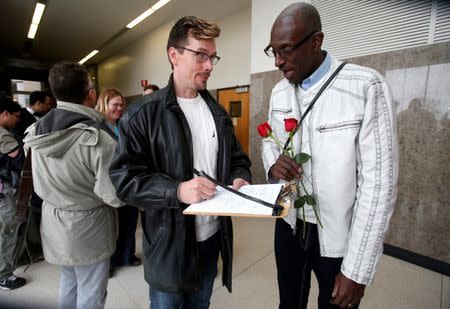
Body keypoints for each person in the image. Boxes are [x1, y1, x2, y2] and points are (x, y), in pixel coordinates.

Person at [261, 3, 398, 309]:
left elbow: (379, 187)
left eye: (286, 50)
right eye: (273, 51)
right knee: (289, 303)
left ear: (316, 41)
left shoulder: (365, 87)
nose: (278, 62)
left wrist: (357, 271)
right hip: (290, 225)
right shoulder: (279, 93)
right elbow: (269, 142)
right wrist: (272, 165)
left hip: (337, 238)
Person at [109, 16, 251, 309]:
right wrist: (176, 190)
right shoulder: (141, 115)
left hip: (211, 238)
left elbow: (237, 158)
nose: (209, 65)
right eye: (201, 55)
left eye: (212, 57)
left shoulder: (218, 113)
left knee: (201, 303)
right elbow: (124, 180)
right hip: (168, 244)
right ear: (174, 55)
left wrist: (239, 177)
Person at [24, 62, 123, 309]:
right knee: (91, 291)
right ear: (90, 93)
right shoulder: (99, 139)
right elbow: (113, 196)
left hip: (54, 222)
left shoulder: (36, 130)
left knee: (68, 281)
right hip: (90, 228)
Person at [95, 88, 141, 277]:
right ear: (104, 105)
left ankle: (127, 256)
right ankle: (110, 262)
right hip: (108, 183)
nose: (120, 108)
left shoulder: (125, 123)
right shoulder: (97, 127)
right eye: (115, 105)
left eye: (122, 104)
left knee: (129, 220)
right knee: (111, 226)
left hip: (129, 180)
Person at [0, 97, 26, 291]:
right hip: (4, 189)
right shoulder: (2, 134)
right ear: (5, 113)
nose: (17, 121)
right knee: (7, 229)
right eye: (15, 117)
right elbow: (19, 159)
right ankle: (4, 275)